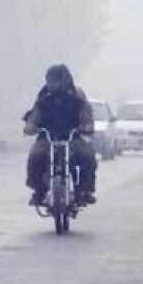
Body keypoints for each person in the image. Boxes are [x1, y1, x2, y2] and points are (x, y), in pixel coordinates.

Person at [23, 64, 97, 206]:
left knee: (88, 157)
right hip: (47, 137)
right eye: (51, 80)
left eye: (58, 80)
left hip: (73, 137)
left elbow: (86, 114)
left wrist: (86, 126)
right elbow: (35, 114)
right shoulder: (43, 95)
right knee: (34, 157)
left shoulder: (77, 95)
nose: (54, 84)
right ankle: (39, 191)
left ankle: (84, 191)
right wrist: (30, 126)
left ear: (66, 79)